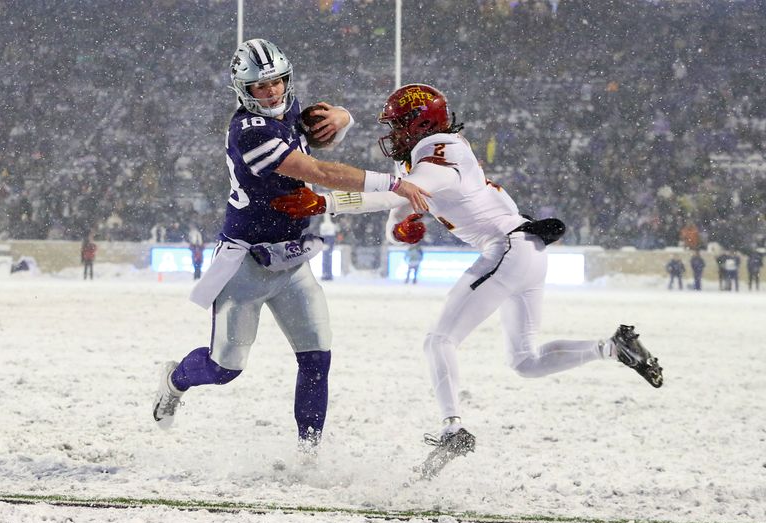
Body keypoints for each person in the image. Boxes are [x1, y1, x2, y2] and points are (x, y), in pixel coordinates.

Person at [271, 84, 664, 476]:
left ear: (422, 124)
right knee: (526, 361)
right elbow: (397, 209)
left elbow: (396, 195)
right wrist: (400, 231)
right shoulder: (417, 160)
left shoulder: (442, 148)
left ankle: (452, 428)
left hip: (508, 248)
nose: (394, 136)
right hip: (526, 250)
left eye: (400, 126)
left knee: (439, 340)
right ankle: (612, 348)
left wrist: (327, 201)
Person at [152, 39, 429, 454]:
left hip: (293, 259)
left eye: (278, 82)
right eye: (261, 87)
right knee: (224, 367)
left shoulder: (287, 115)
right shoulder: (250, 132)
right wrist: (392, 182)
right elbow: (318, 169)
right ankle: (175, 380)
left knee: (317, 358)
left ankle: (308, 454)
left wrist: (343, 116)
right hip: (246, 262)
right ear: (243, 89)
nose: (273, 92)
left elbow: (323, 128)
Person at [318, 213, 338, 281]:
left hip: (328, 240)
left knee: (327, 260)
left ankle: (327, 274)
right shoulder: (329, 225)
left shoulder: (326, 225)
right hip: (328, 240)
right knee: (327, 259)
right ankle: (327, 274)